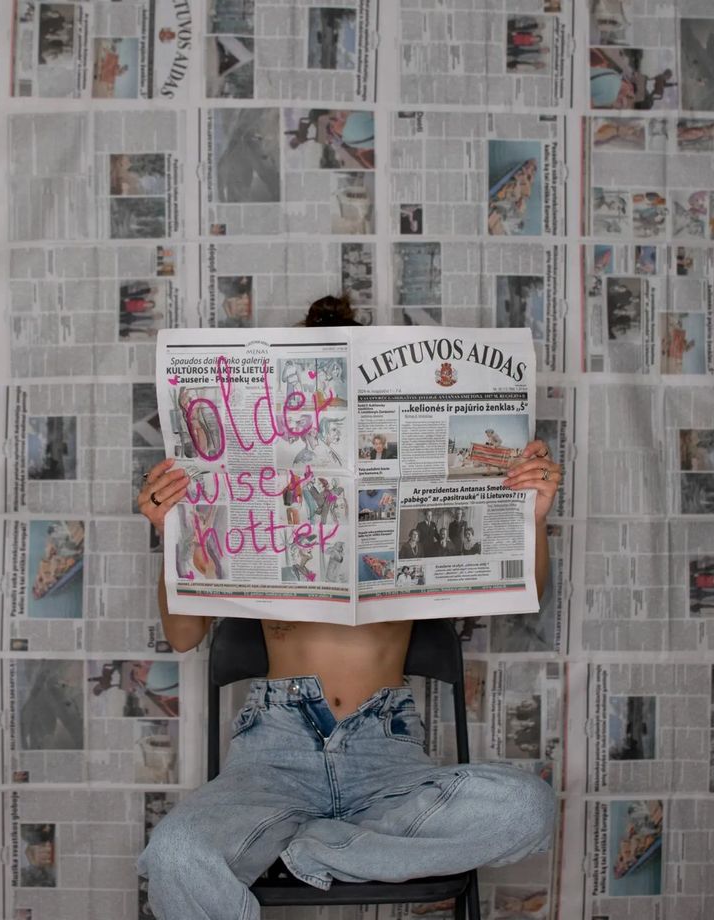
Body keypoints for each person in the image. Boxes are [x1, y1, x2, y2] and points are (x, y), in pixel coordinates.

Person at [136, 293, 562, 920]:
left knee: (527, 807)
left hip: (385, 751)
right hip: (273, 750)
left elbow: (525, 594)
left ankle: (316, 850)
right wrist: (171, 533)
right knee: (174, 853)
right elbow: (181, 637)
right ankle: (327, 844)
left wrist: (534, 519)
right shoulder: (252, 475)